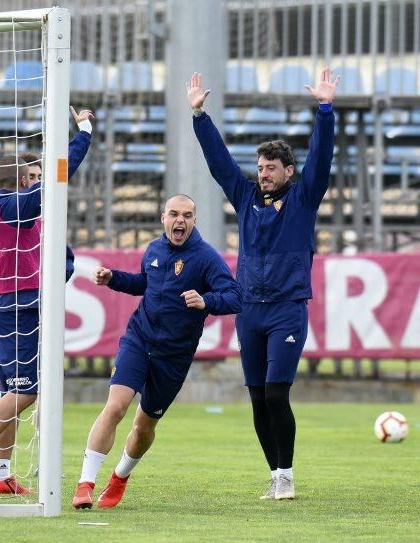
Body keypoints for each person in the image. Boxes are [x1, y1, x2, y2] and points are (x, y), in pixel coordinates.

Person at [186, 68, 338, 500]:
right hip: (248, 309)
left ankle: (286, 474)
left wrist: (325, 110)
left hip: (287, 307)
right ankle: (274, 476)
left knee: (276, 393)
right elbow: (219, 164)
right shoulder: (247, 196)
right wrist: (200, 116)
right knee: (255, 398)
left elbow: (322, 157)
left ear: (289, 171)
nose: (263, 173)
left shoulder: (305, 197)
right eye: (260, 167)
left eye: (271, 168)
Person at [72, 194, 242, 510]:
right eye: (174, 214)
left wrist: (207, 301)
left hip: (174, 356)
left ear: (194, 220)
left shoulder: (206, 257)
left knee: (144, 426)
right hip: (138, 340)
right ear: (162, 217)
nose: (180, 221)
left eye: (187, 215)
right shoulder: (154, 249)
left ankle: (120, 477)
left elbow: (234, 297)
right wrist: (114, 279)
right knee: (115, 407)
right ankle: (85, 485)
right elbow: (143, 284)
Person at [0, 107, 94, 495]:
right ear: (22, 181)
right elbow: (61, 174)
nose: (40, 183)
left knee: (9, 389)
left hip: (26, 306)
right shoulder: (11, 209)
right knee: (25, 390)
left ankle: (0, 474)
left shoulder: (26, 214)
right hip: (16, 309)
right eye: (32, 178)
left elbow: (59, 256)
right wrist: (83, 132)